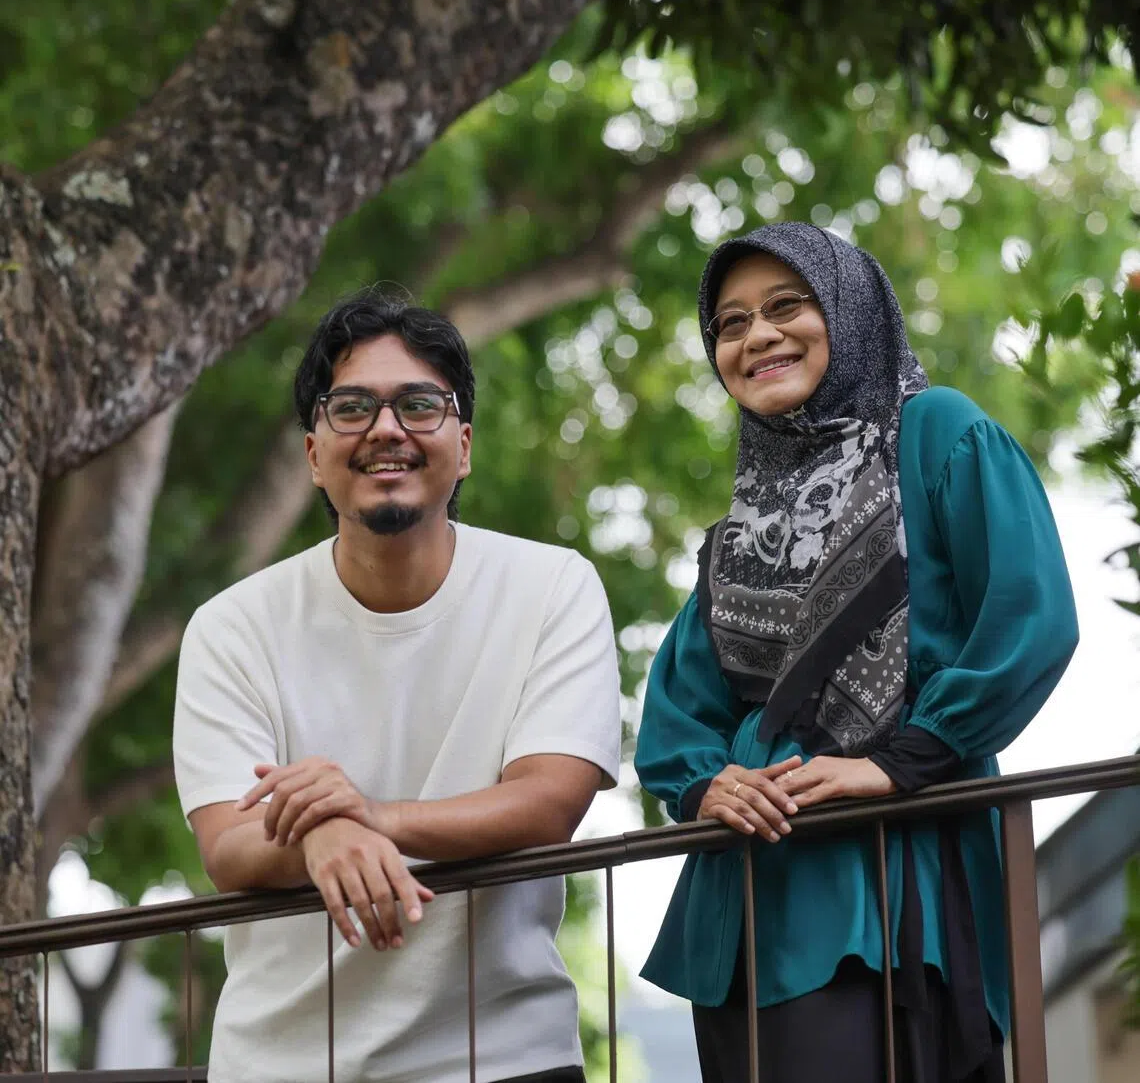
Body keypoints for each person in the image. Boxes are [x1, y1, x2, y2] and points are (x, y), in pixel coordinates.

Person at [634, 223, 1078, 1083]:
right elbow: (678, 711)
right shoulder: (738, 534)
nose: (757, 335)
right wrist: (702, 784)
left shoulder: (935, 434)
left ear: (851, 310)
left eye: (786, 305)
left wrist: (898, 764)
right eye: (729, 324)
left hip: (896, 874)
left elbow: (1032, 617)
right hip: (743, 912)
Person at [173, 292, 621, 1083]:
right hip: (282, 1063)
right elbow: (228, 845)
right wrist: (318, 837)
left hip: (505, 1056)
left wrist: (369, 815)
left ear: (466, 444)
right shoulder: (231, 624)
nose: (386, 429)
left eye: (419, 404)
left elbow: (551, 801)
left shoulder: (553, 586)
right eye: (352, 408)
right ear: (314, 454)